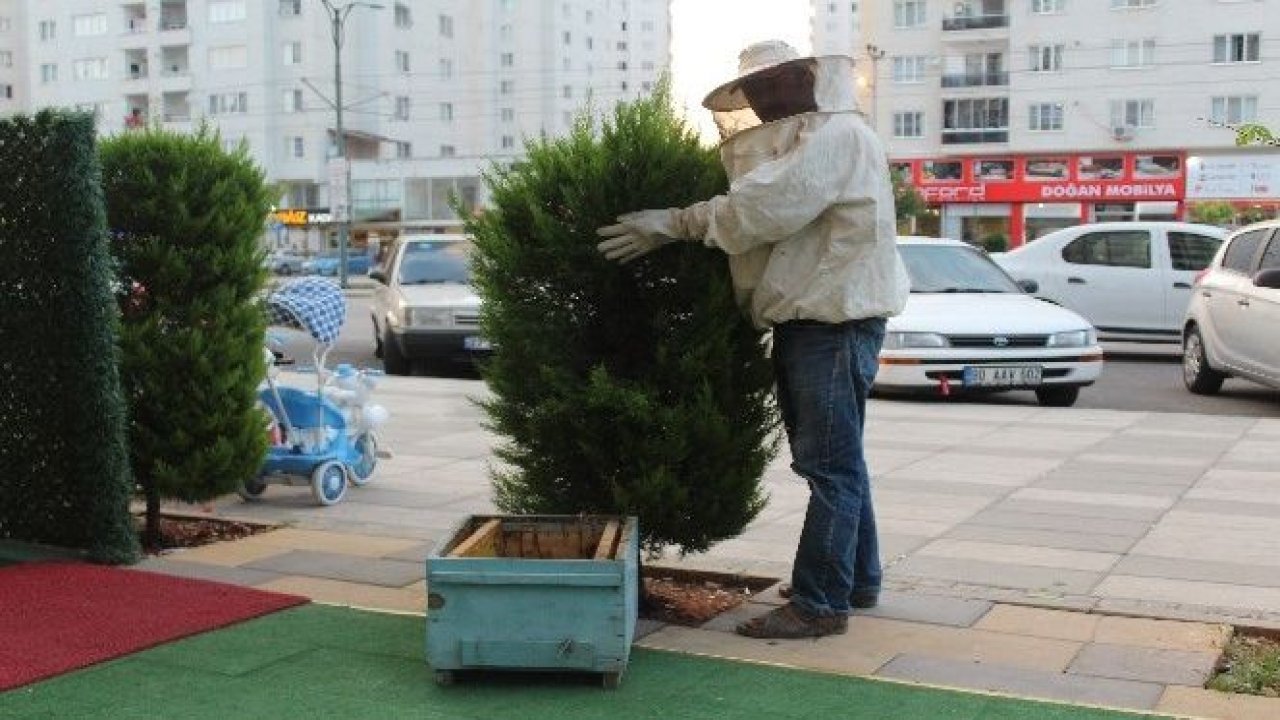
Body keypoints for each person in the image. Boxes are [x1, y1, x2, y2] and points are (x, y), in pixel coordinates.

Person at [596, 40, 909, 639]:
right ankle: (854, 580)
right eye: (756, 90)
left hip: (830, 324)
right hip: (823, 320)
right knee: (841, 461)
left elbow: (761, 209)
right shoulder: (821, 138)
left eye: (774, 84)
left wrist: (673, 223)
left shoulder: (836, 137)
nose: (765, 100)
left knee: (829, 467)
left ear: (805, 80)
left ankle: (820, 604)